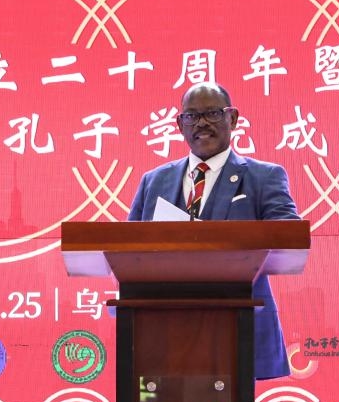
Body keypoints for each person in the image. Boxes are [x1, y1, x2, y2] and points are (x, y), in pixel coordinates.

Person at [128, 83, 301, 379]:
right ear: (179, 125)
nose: (202, 124)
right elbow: (128, 249)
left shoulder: (263, 176)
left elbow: (288, 238)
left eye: (211, 114)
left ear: (232, 119)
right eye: (192, 116)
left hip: (236, 321)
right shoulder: (153, 180)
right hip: (165, 326)